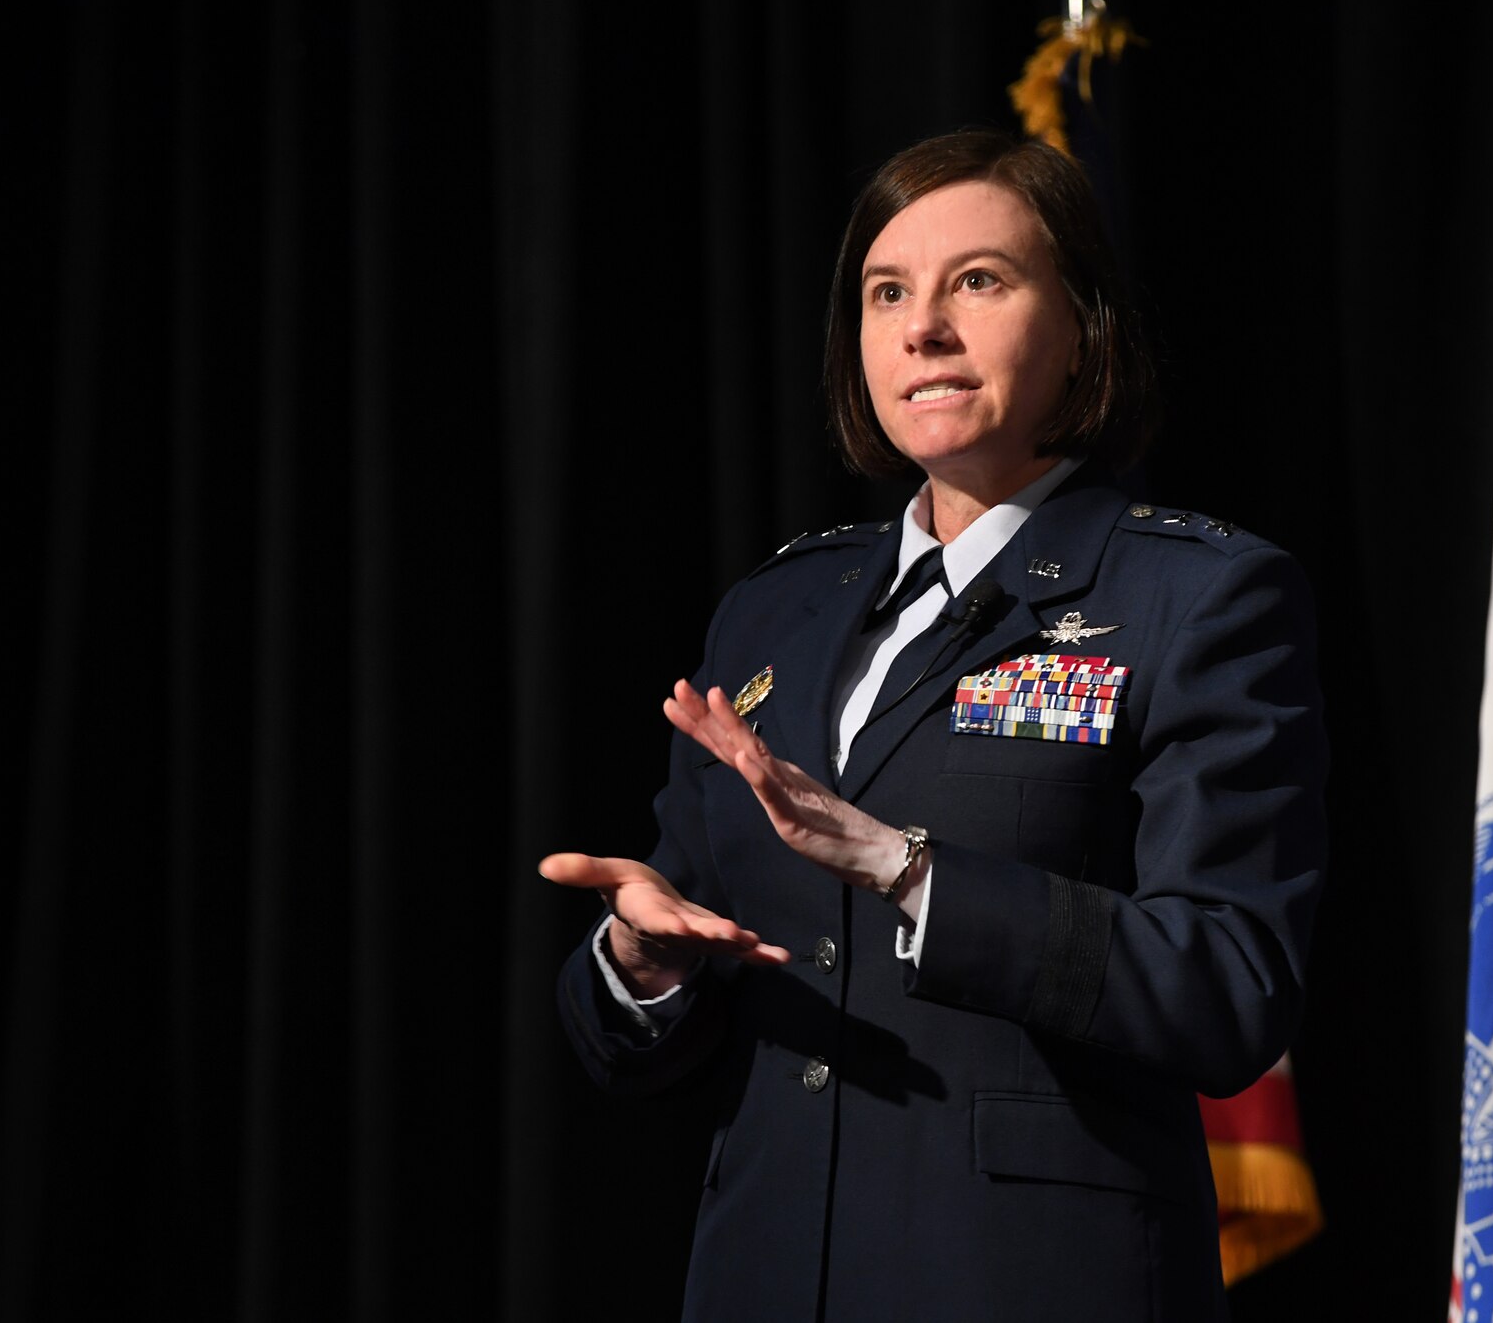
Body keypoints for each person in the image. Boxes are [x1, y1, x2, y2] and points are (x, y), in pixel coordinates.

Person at [543, 129, 1326, 1322]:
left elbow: (1225, 989)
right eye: (886, 292)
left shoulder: (1195, 599)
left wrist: (908, 874)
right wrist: (641, 961)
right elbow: (661, 1020)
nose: (922, 328)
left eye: (978, 281)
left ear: (1083, 329)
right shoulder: (774, 610)